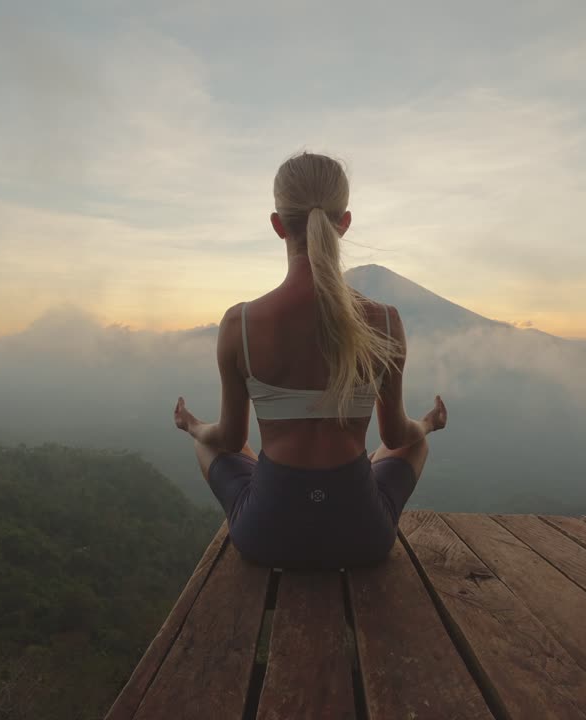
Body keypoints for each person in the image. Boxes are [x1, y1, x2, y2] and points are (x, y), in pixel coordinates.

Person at [172, 152, 447, 569]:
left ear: (278, 225)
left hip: (266, 537)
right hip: (362, 537)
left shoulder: (240, 324)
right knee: (414, 443)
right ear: (345, 222)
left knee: (207, 444)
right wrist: (428, 423)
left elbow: (229, 440)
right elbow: (394, 437)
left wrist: (192, 425)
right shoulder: (386, 323)